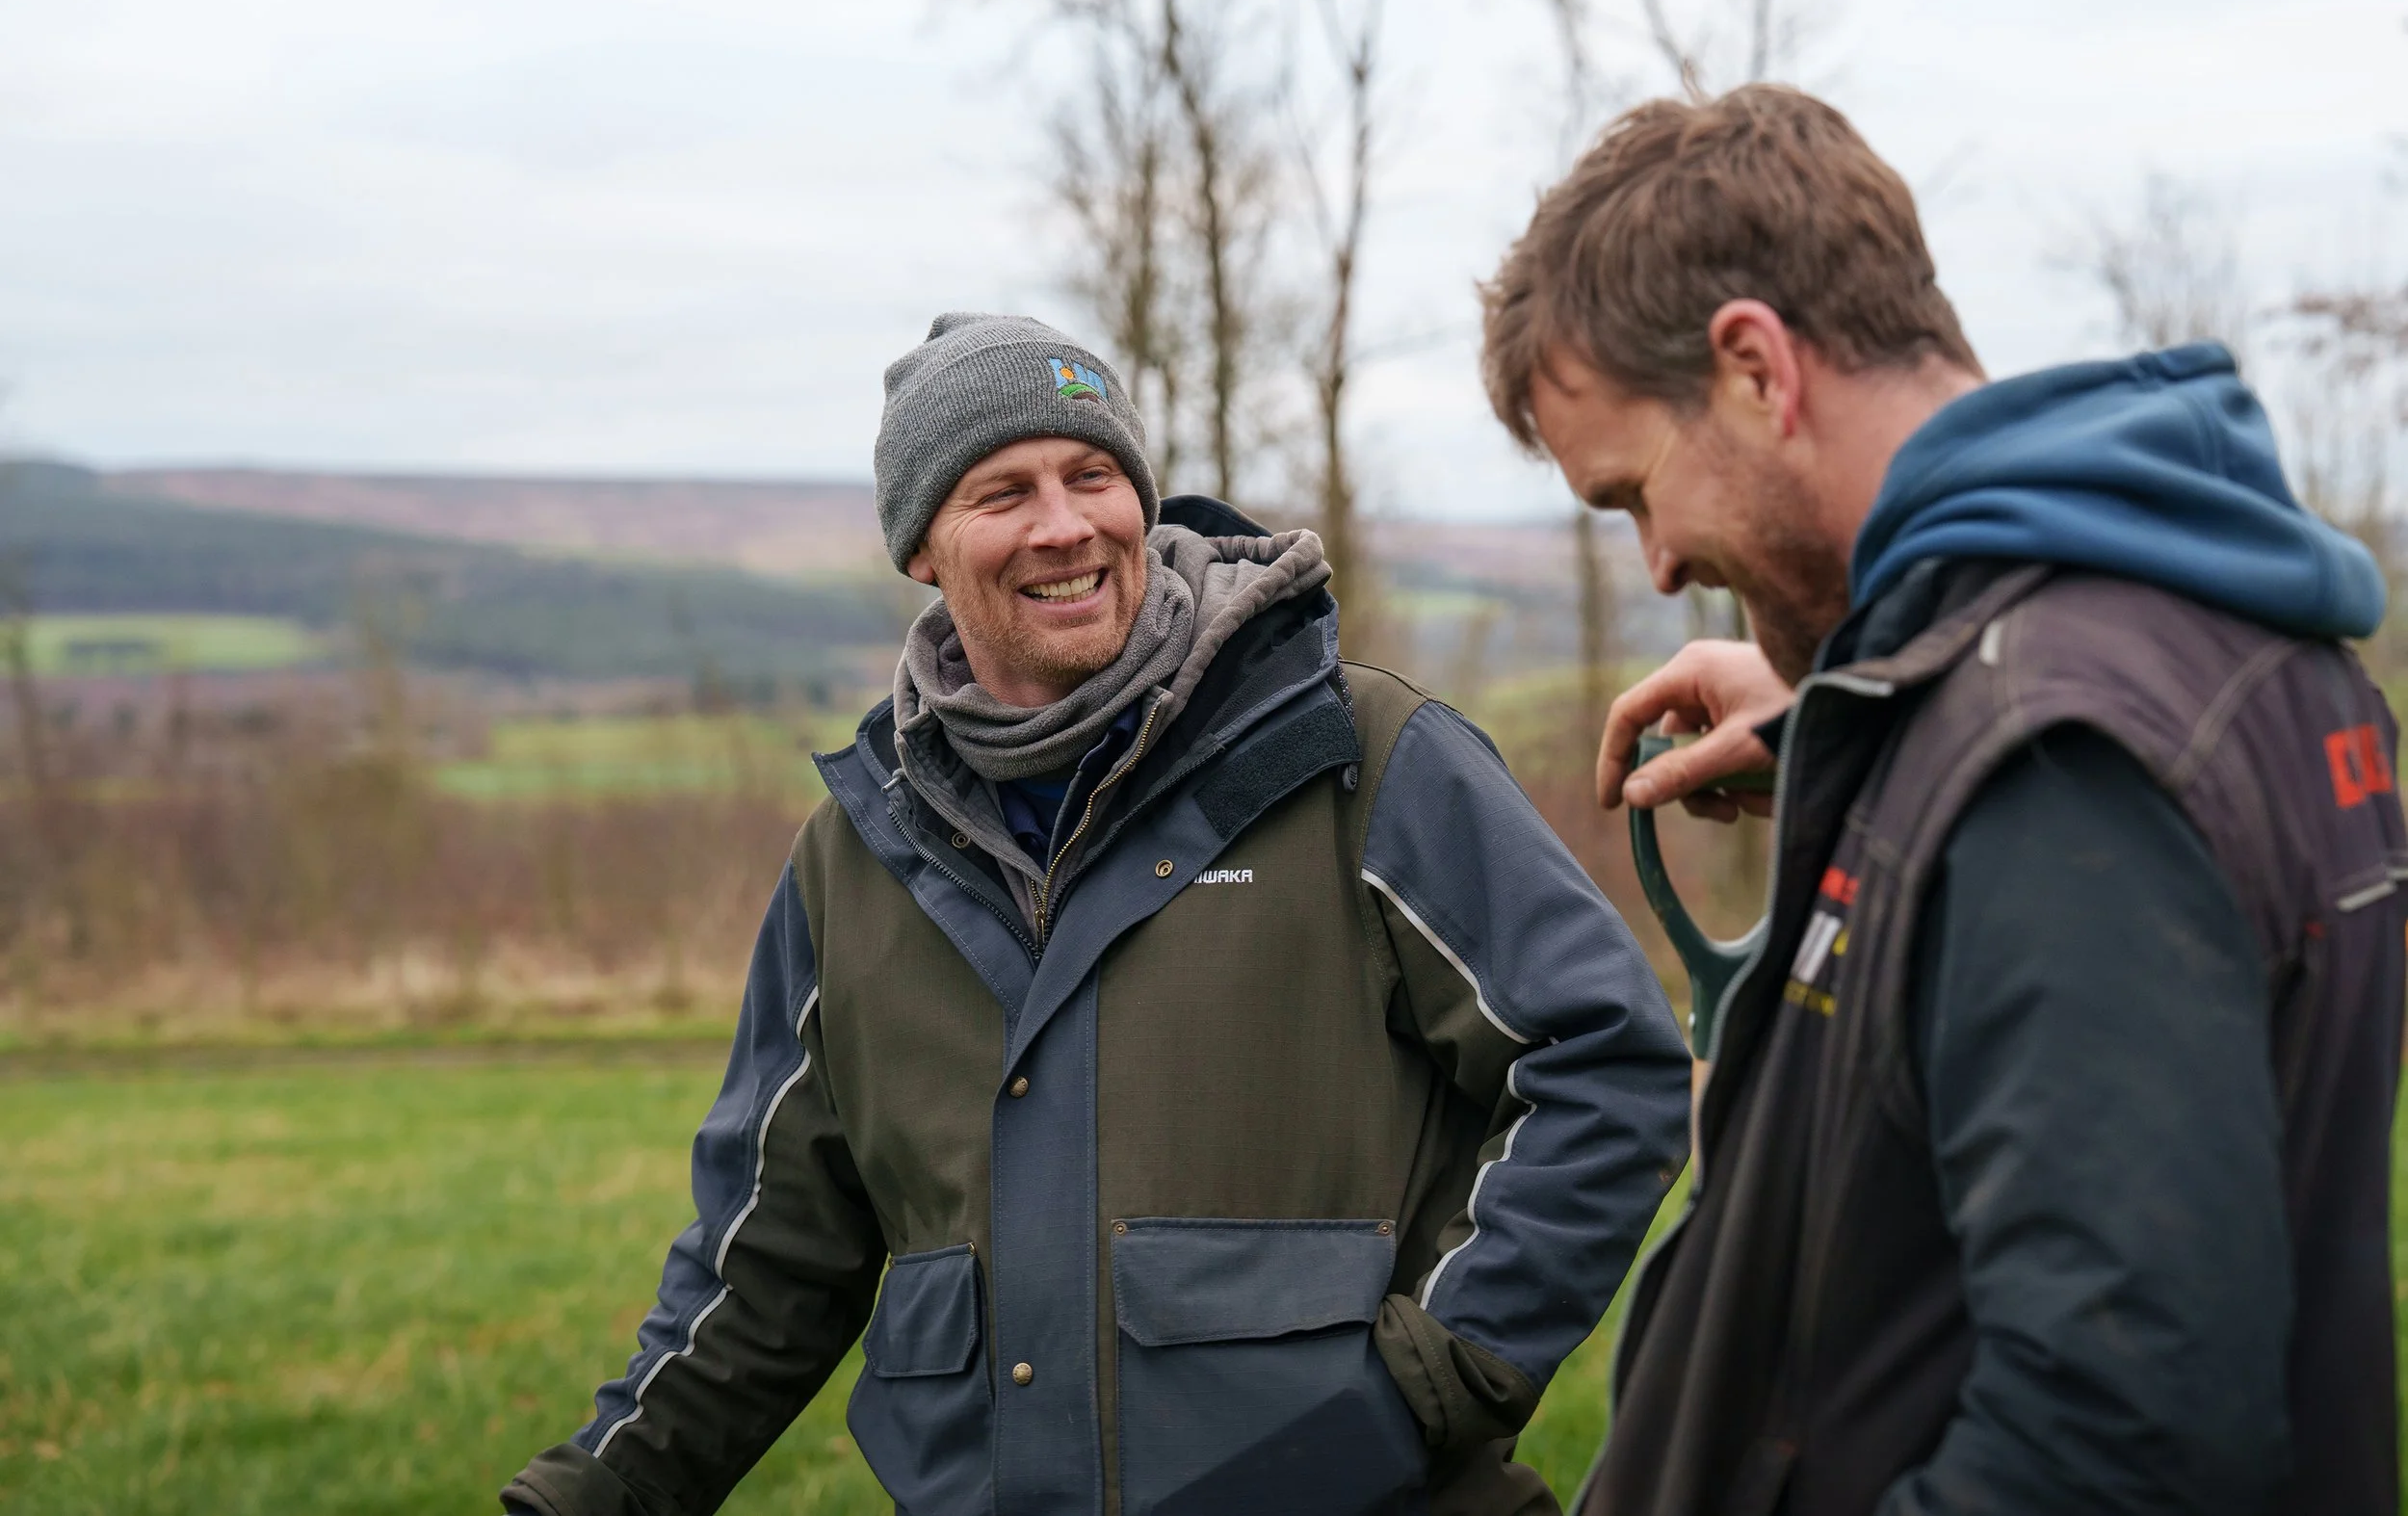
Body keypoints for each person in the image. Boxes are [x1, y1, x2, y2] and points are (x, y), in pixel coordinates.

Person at [502, 311, 1692, 1516]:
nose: (1064, 524)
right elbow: (763, 1266)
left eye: (1093, 474)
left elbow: (1608, 1061)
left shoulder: (1355, 757)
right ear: (922, 546)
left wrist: (1420, 1391)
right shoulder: (854, 859)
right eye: (1001, 491)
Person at [1478, 88, 2403, 1516]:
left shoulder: (2055, 762)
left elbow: (2118, 1450)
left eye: (1635, 493)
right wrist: (1850, 730)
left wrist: (1945, 746)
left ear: (1755, 371)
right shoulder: (2153, 650)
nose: (1658, 561)